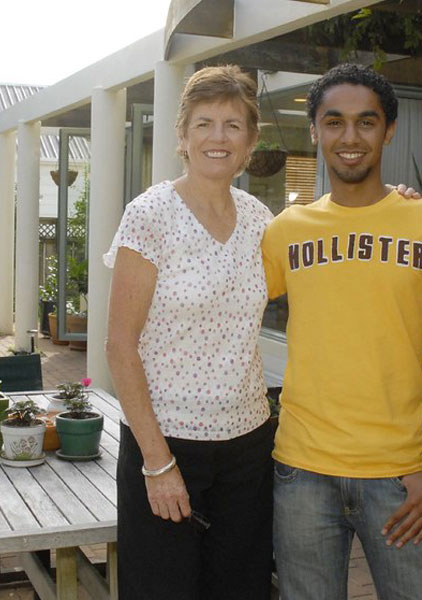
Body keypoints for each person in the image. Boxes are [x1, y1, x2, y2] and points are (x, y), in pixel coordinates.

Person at [262, 63, 422, 600]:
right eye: (334, 121)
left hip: (402, 475)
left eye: (366, 121)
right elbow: (228, 320)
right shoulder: (284, 231)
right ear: (315, 131)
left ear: (389, 130)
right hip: (302, 473)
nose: (350, 137)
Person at [104, 65, 274, 599]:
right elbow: (119, 346)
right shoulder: (150, 215)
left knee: (243, 589)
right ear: (182, 135)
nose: (218, 137)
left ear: (250, 140)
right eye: (204, 123)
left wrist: (392, 201)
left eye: (232, 125)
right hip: (167, 442)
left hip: (248, 445)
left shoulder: (262, 220)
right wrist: (157, 464)